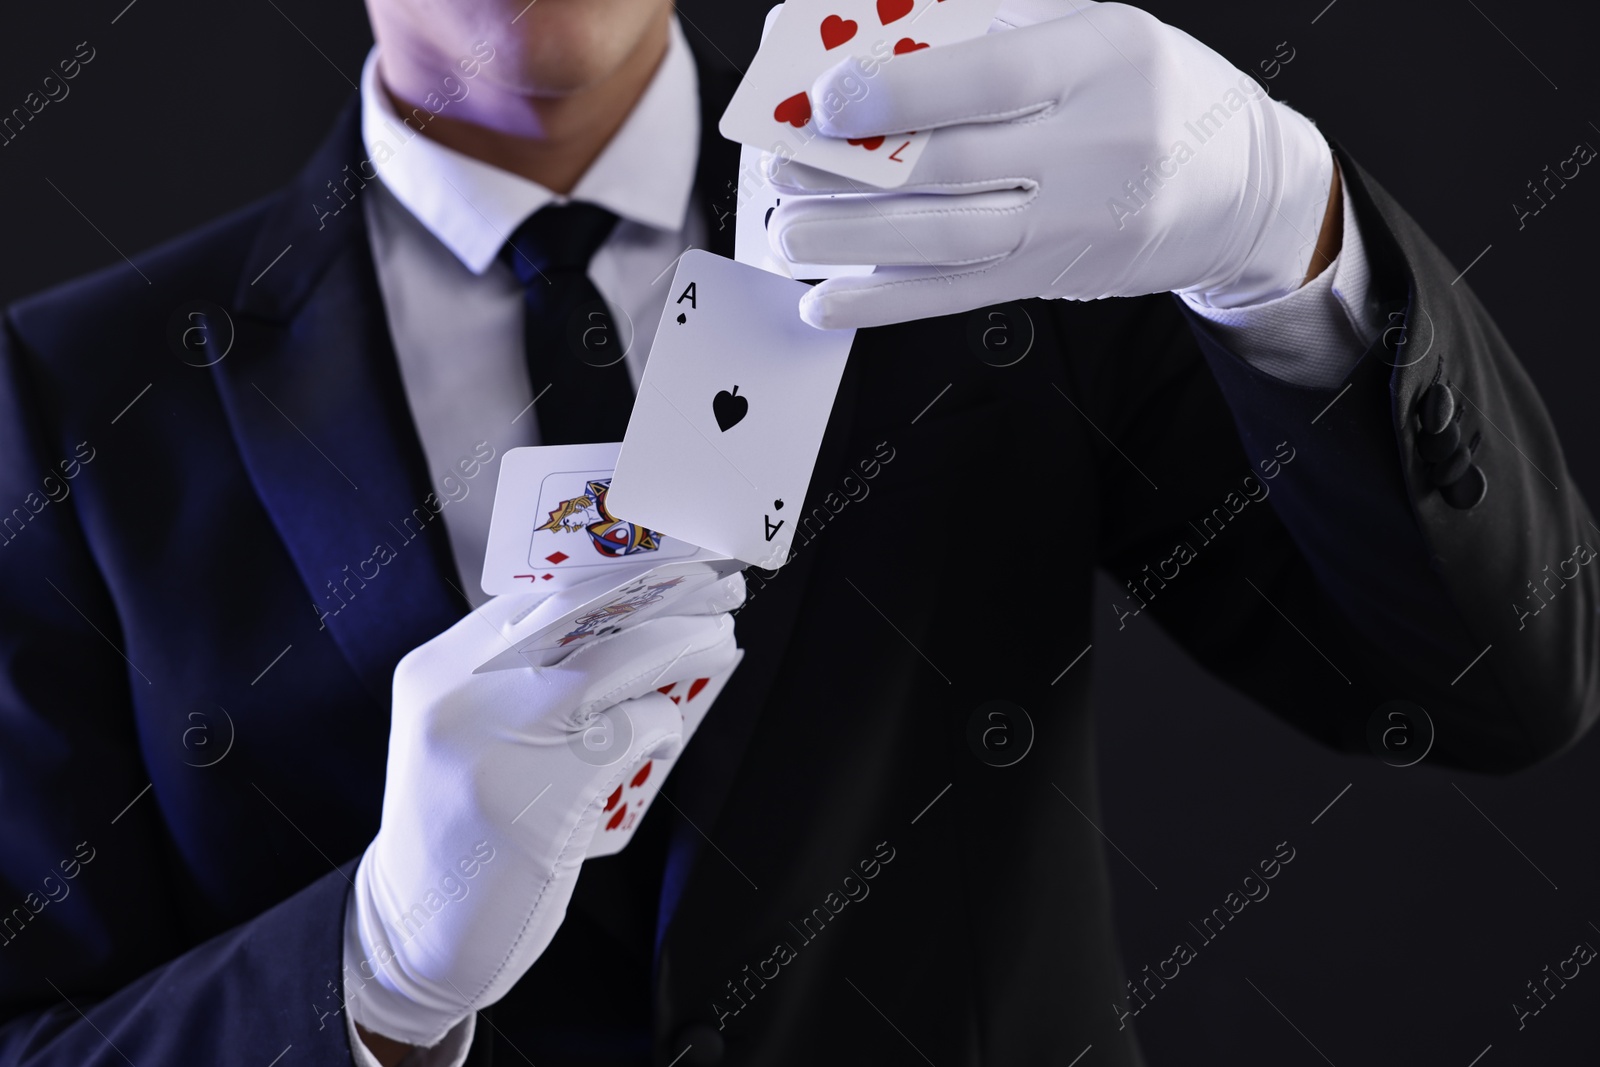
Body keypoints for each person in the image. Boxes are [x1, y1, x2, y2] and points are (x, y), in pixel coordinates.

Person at [0, 0, 1594, 1064]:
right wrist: (373, 975)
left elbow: (1489, 681)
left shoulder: (980, 213)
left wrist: (1285, 228)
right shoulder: (67, 395)